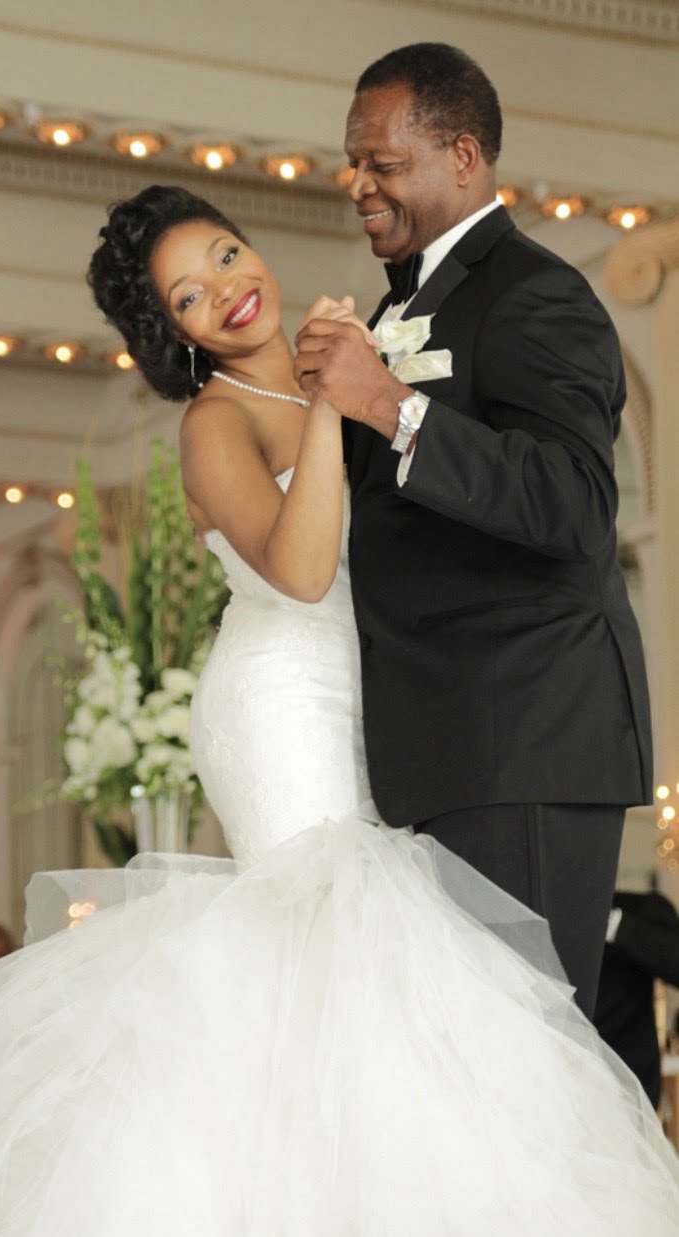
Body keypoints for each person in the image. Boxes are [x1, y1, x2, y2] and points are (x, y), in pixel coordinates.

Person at [0, 187, 674, 1234]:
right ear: (176, 334)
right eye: (191, 295)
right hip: (284, 699)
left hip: (383, 691)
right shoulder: (217, 422)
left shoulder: (361, 349)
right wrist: (334, 403)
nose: (229, 292)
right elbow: (294, 564)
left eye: (229, 255)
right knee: (326, 950)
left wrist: (358, 390)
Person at [294, 43, 652, 1020]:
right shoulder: (402, 300)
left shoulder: (537, 293)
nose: (360, 185)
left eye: (385, 163)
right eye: (354, 163)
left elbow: (573, 505)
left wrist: (393, 408)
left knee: (528, 1079)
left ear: (464, 157)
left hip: (522, 741)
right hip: (439, 755)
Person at [596, 888, 679, 1109]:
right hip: (565, 1073)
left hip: (629, 1078)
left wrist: (615, 924)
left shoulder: (642, 908)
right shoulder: (544, 910)